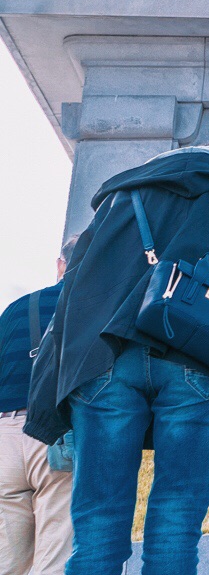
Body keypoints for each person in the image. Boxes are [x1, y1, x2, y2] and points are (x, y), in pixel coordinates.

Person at [26, 145, 209, 575]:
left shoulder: (124, 196)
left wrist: (46, 399)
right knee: (176, 525)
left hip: (106, 356)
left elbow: (73, 294)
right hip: (202, 360)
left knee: (96, 527)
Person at [0, 238, 77, 575]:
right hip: (54, 434)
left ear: (60, 265)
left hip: (4, 436)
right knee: (54, 559)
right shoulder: (89, 304)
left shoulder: (17, 308)